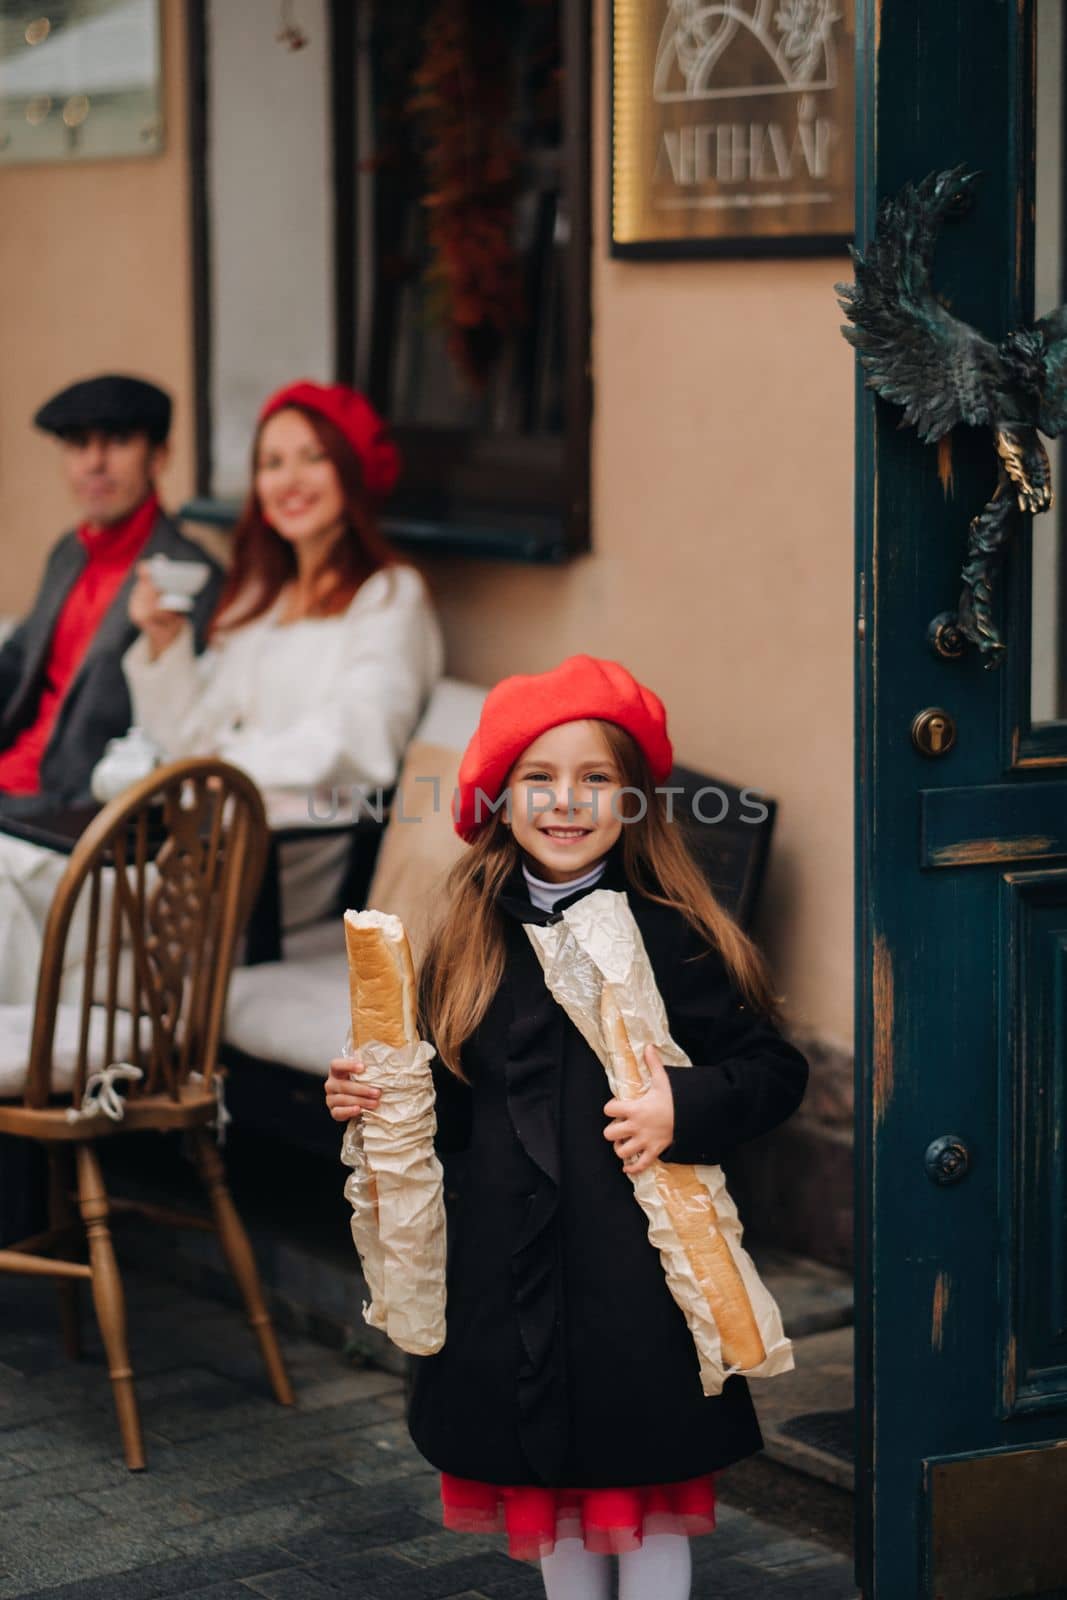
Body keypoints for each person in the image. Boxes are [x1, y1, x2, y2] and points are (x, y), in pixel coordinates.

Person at [324, 655, 809, 1600]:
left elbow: (771, 1070)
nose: (566, 801)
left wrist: (685, 1103)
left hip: (634, 1284)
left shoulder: (676, 935)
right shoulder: (466, 940)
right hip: (508, 1270)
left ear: (631, 803)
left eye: (596, 780)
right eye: (538, 779)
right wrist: (374, 1099)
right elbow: (452, 1105)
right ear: (499, 800)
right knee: (550, 1491)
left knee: (643, 1483)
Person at [123, 380, 443, 931]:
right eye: (271, 462)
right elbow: (185, 733)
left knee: (49, 897)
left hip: (285, 854)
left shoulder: (389, 596)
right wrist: (163, 640)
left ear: (351, 470)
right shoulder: (260, 598)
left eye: (312, 458)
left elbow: (360, 740)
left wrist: (224, 769)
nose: (288, 480)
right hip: (200, 832)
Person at [0, 374, 222, 816]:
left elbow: (170, 729)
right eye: (79, 444)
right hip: (12, 770)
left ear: (159, 456)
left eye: (117, 442)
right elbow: (18, 658)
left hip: (71, 804)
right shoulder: (69, 551)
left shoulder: (189, 574)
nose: (94, 463)